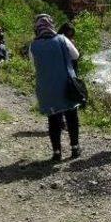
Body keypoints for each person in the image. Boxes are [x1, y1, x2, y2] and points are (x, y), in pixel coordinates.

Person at [29, 14, 81, 161]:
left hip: (46, 88)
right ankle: (75, 148)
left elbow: (35, 67)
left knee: (53, 120)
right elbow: (76, 55)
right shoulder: (62, 39)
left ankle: (56, 152)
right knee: (71, 117)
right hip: (66, 85)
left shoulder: (33, 45)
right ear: (51, 25)